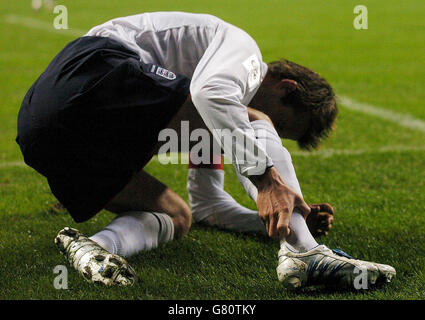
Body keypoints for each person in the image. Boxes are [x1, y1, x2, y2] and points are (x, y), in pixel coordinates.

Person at [16, 12, 395, 289]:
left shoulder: (206, 115)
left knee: (176, 217)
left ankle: (95, 248)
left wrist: (277, 219)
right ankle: (304, 251)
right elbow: (211, 94)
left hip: (46, 134)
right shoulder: (243, 54)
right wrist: (267, 181)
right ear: (286, 87)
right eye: (279, 130)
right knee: (251, 116)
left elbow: (208, 206)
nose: (268, 139)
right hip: (93, 72)